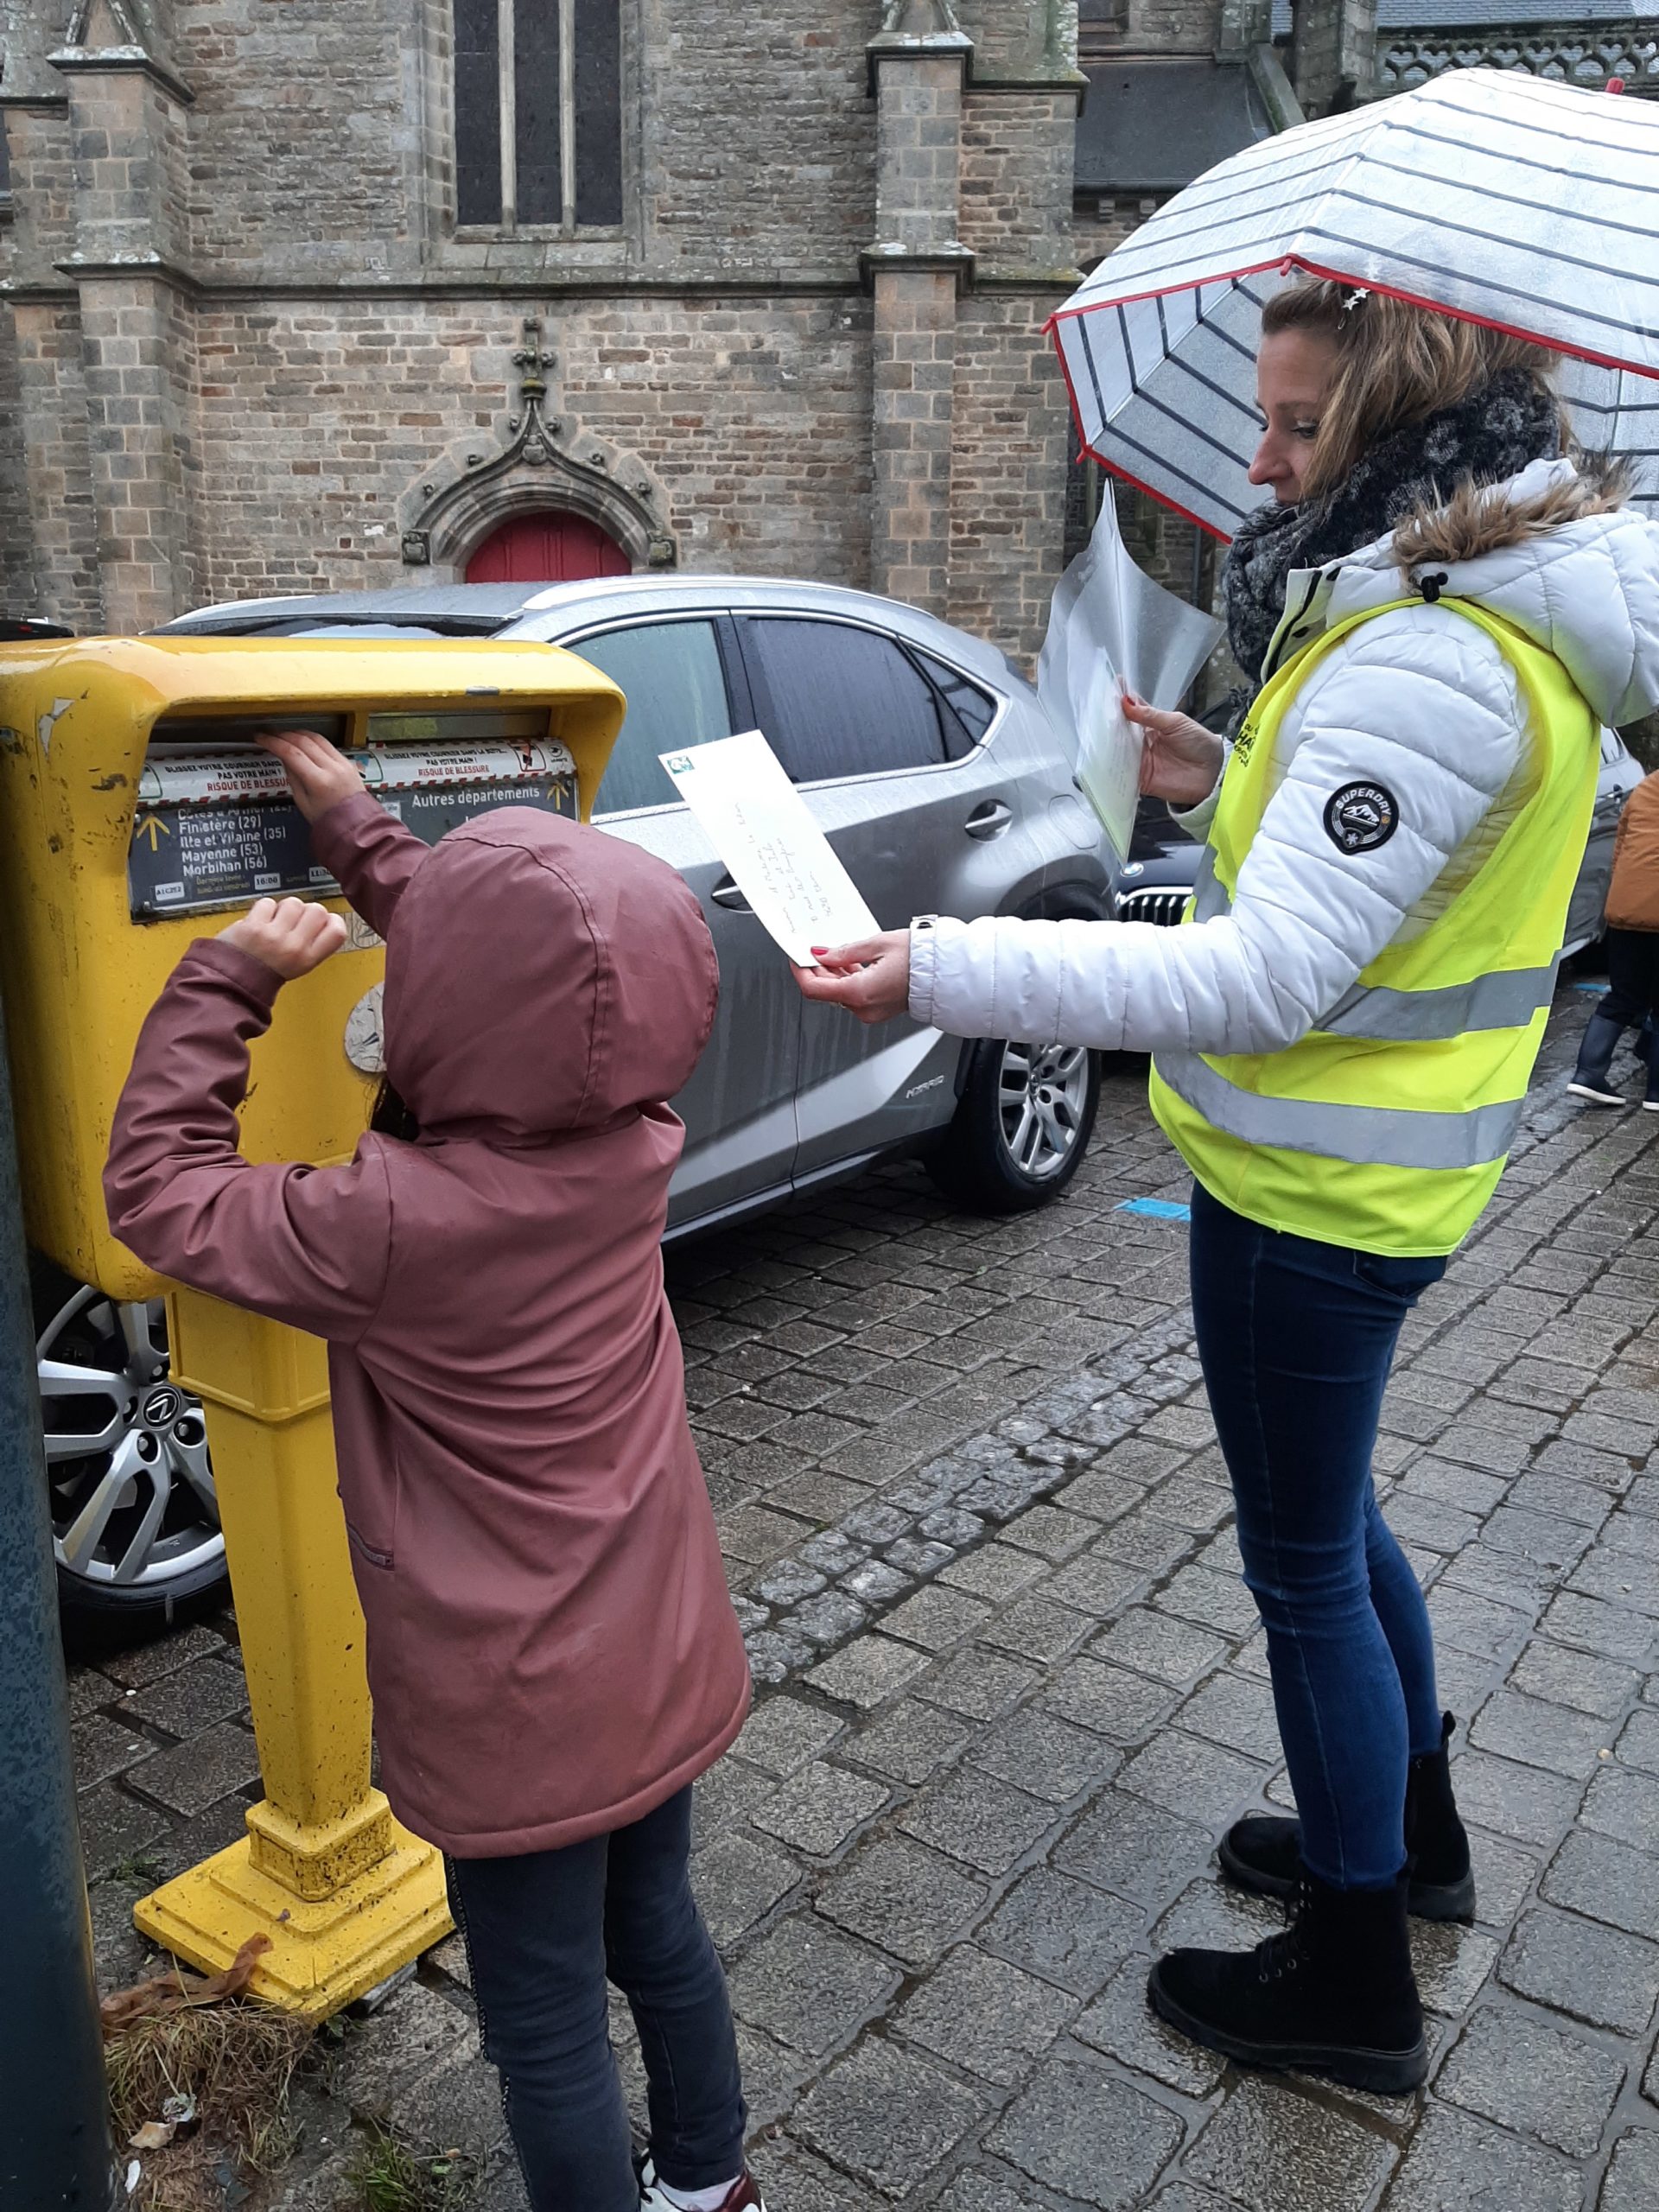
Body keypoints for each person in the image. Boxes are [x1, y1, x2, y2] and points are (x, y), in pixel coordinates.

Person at [798, 278, 1659, 2095]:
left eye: (1296, 428)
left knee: (1304, 1568)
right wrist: (1223, 766)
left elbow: (1263, 978)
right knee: (1339, 1529)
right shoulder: (1462, 616)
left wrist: (946, 965)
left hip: (1317, 1195)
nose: (1258, 464)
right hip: (1365, 1174)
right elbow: (1364, 887)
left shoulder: (1427, 652)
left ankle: (1353, 1972)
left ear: (1411, 428)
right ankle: (1407, 1841)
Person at [105, 736, 762, 2212]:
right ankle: (711, 2181)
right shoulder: (632, 1132)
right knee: (657, 1923)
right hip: (656, 1643)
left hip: (516, 1700)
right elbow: (543, 994)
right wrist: (366, 838)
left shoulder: (387, 1224)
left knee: (538, 2019)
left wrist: (227, 982)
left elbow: (152, 1194)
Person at [1569, 767, 1659, 1107]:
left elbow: (1621, 848)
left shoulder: (1647, 786)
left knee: (1624, 995)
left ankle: (1588, 1074)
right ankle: (1656, 1092)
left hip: (1626, 905)